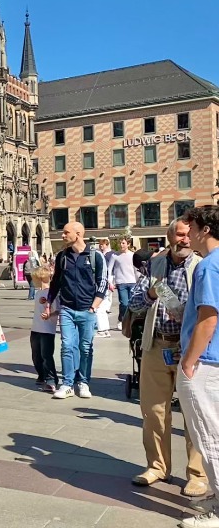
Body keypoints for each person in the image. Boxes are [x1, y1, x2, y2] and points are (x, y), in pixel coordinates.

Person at [126, 218, 207, 498]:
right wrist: (150, 293)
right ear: (169, 237)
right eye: (179, 235)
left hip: (190, 351)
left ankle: (198, 474)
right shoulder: (154, 265)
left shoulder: (201, 266)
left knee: (193, 414)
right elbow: (134, 303)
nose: (184, 240)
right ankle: (157, 466)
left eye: (188, 235)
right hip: (155, 345)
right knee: (153, 411)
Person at [175, 206, 219, 528]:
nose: (187, 233)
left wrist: (189, 361)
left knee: (209, 435)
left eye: (191, 228)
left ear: (205, 230)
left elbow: (208, 318)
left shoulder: (208, 267)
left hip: (205, 363)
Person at [44, 222, 107, 400]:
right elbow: (56, 281)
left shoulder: (95, 256)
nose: (62, 235)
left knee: (85, 348)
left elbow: (102, 282)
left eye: (66, 233)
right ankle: (67, 384)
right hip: (67, 309)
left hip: (87, 310)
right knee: (67, 346)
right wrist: (49, 302)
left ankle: (84, 382)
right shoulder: (62, 256)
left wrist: (94, 306)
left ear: (78, 234)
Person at [31, 266, 59, 393]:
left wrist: (50, 315)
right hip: (35, 328)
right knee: (36, 355)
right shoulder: (38, 293)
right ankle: (42, 375)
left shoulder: (51, 293)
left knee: (46, 355)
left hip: (47, 329)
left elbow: (58, 310)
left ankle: (51, 379)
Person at [110, 238, 137, 331]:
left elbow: (136, 269)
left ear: (128, 244)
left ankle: (130, 321)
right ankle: (121, 319)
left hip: (132, 282)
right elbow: (109, 270)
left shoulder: (132, 255)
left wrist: (139, 281)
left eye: (123, 243)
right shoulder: (115, 256)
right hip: (121, 282)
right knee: (124, 303)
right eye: (120, 243)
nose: (121, 245)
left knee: (132, 303)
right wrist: (110, 282)